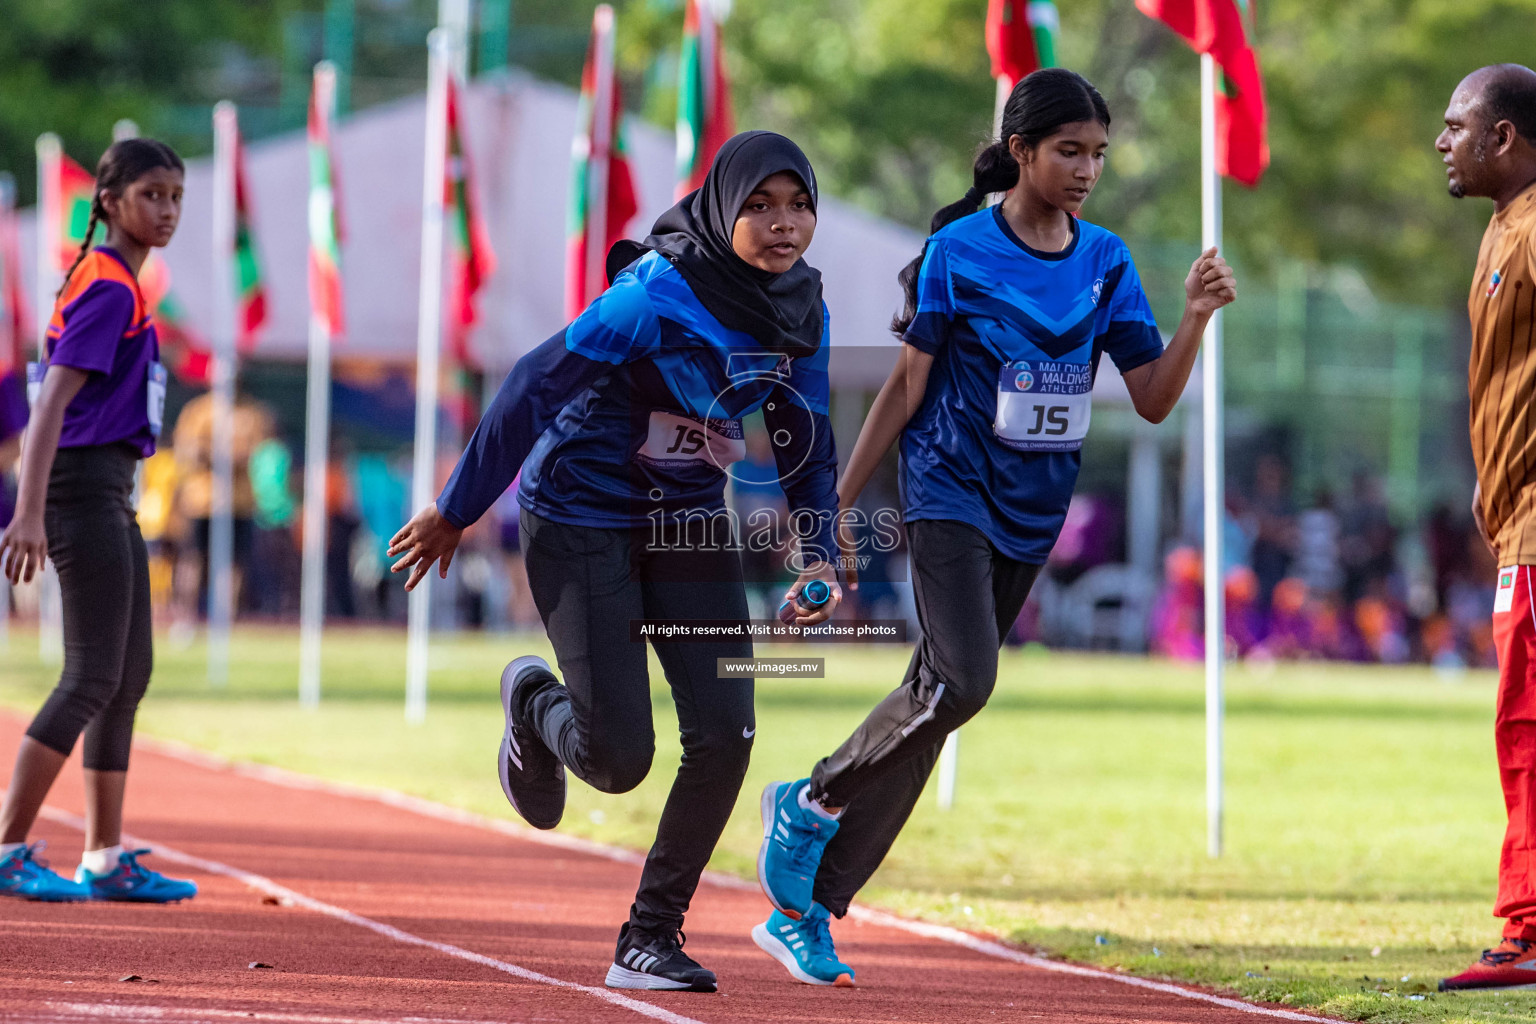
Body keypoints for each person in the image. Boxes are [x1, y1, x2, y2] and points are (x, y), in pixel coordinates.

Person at [751, 68, 1235, 987]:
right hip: (947, 492)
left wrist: (1195, 320)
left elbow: (1154, 400)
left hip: (1031, 514)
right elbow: (902, 388)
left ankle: (806, 909)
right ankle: (810, 798)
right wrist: (832, 511)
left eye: (1098, 152)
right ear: (1021, 152)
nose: (1087, 168)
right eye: (1069, 151)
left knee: (933, 702)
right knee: (963, 683)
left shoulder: (1106, 263)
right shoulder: (960, 252)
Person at [388, 131, 841, 993]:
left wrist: (817, 546)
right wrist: (456, 509)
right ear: (721, 209)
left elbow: (802, 436)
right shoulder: (653, 296)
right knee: (617, 759)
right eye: (760, 206)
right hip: (581, 517)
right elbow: (529, 386)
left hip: (686, 522)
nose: (784, 225)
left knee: (727, 731)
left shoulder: (804, 308)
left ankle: (649, 938)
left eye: (799, 204)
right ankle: (533, 702)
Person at [0, 138, 198, 903]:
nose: (168, 210)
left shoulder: (118, 283)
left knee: (127, 675)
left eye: (176, 195)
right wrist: (27, 512)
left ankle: (105, 857)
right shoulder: (110, 287)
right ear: (110, 202)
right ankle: (10, 843)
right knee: (89, 676)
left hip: (109, 487)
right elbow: (49, 400)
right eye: (152, 194)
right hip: (79, 487)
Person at [1433, 63, 1536, 993]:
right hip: (1513, 520)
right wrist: (1490, 477)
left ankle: (1530, 929)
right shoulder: (1502, 228)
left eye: (1458, 125)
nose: (1443, 141)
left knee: (1527, 726)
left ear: (1505, 136)